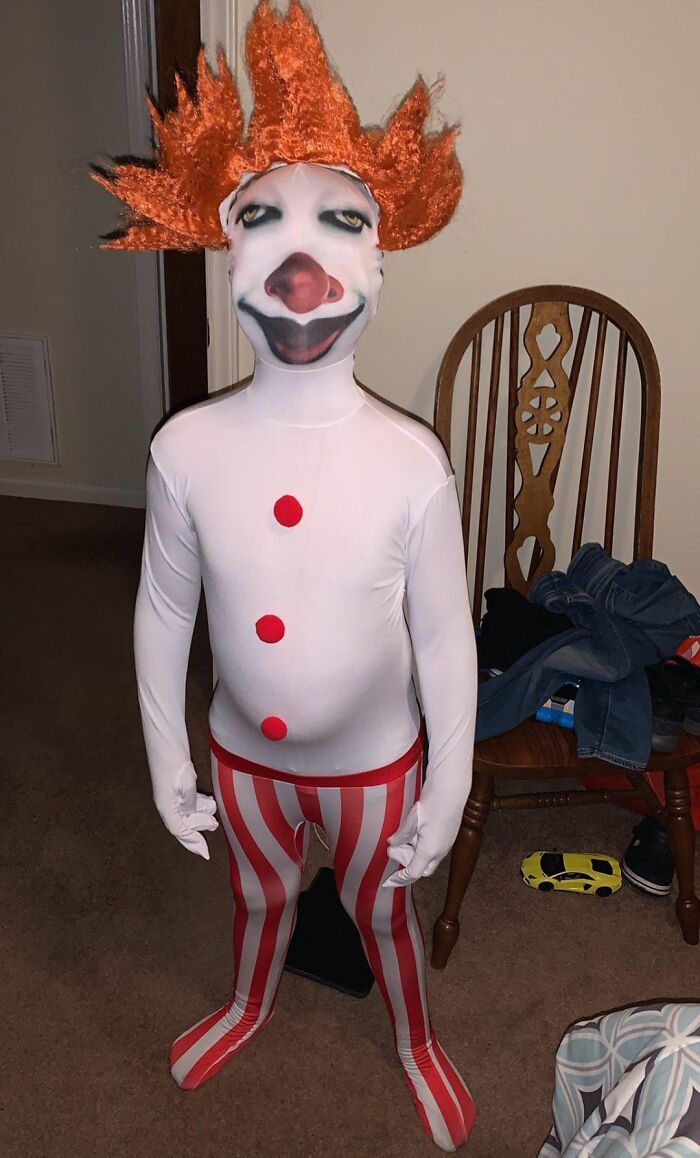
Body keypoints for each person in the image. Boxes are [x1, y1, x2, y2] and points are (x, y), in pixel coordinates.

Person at [96, 3, 477, 1149]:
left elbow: (447, 633)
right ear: (225, 250)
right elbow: (165, 604)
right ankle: (250, 998)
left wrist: (448, 782)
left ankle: (413, 1036)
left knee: (382, 912)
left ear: (378, 259)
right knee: (257, 897)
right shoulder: (184, 450)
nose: (300, 263)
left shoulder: (412, 463)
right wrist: (169, 752)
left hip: (373, 766)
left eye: (338, 222)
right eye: (261, 217)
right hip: (242, 759)